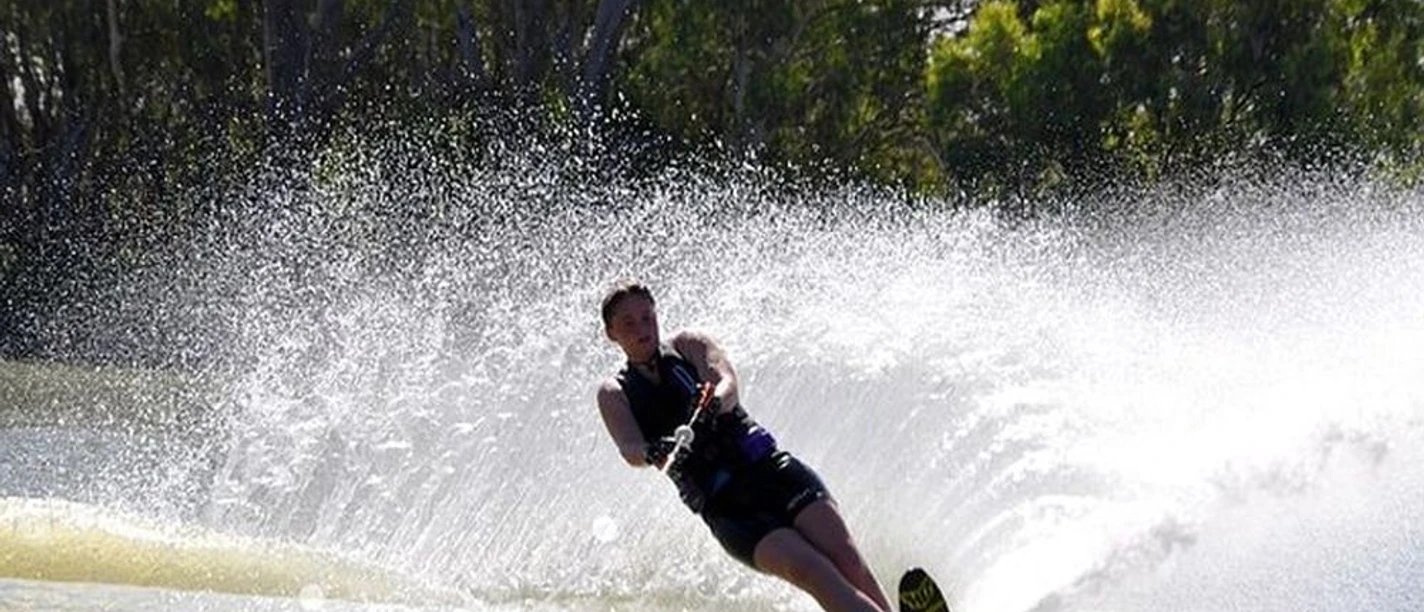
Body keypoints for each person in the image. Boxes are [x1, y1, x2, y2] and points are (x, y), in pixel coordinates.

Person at [595, 282, 891, 612]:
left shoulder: (688, 345)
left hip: (771, 469)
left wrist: (714, 402)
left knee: (847, 561)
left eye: (647, 317)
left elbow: (727, 382)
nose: (643, 328)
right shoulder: (614, 392)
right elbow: (629, 448)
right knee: (814, 571)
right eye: (629, 323)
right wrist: (652, 452)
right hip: (728, 508)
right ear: (611, 334)